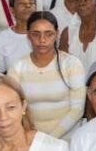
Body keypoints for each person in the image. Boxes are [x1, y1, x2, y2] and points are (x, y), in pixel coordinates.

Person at [7, 11, 86, 140]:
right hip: (30, 139)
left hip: (67, 140)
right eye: (35, 34)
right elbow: (12, 108)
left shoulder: (71, 64)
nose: (42, 40)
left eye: (48, 34)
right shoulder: (17, 67)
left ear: (57, 34)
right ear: (28, 35)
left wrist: (49, 139)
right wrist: (32, 138)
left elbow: (77, 110)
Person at [0, 0, 35, 73]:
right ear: (12, 10)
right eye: (22, 3)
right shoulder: (1, 38)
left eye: (31, 2)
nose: (28, 6)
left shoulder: (45, 34)